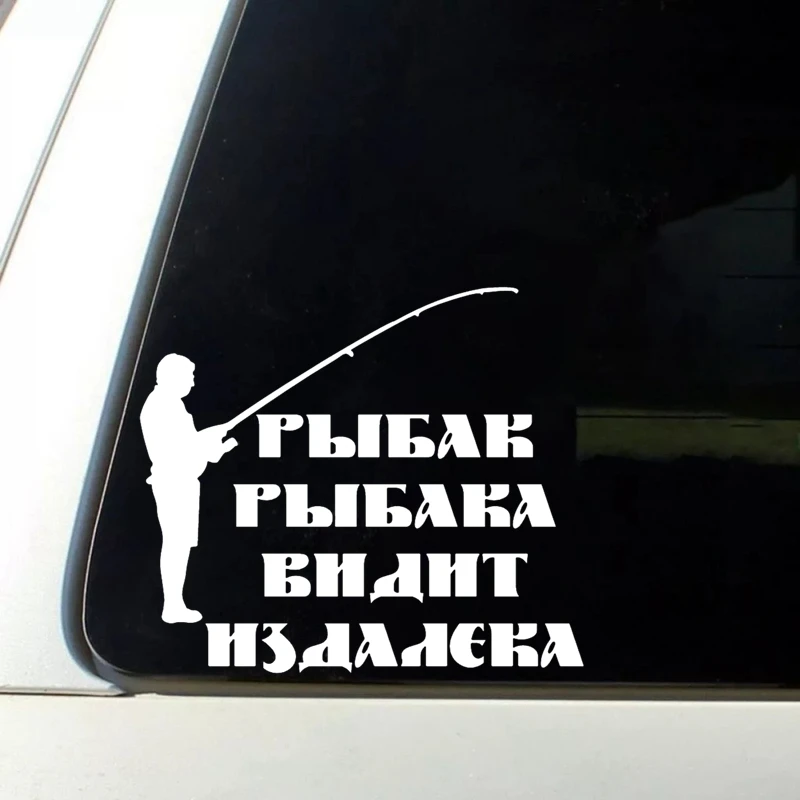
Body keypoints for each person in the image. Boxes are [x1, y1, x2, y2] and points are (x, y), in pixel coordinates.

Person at [139, 353, 237, 623]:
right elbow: (177, 452)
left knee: (180, 545)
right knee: (176, 544)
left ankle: (175, 603)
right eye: (189, 377)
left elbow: (188, 445)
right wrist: (209, 443)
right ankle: (172, 606)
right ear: (173, 377)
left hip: (181, 482)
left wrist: (212, 441)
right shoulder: (162, 407)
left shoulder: (172, 405)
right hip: (174, 483)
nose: (193, 383)